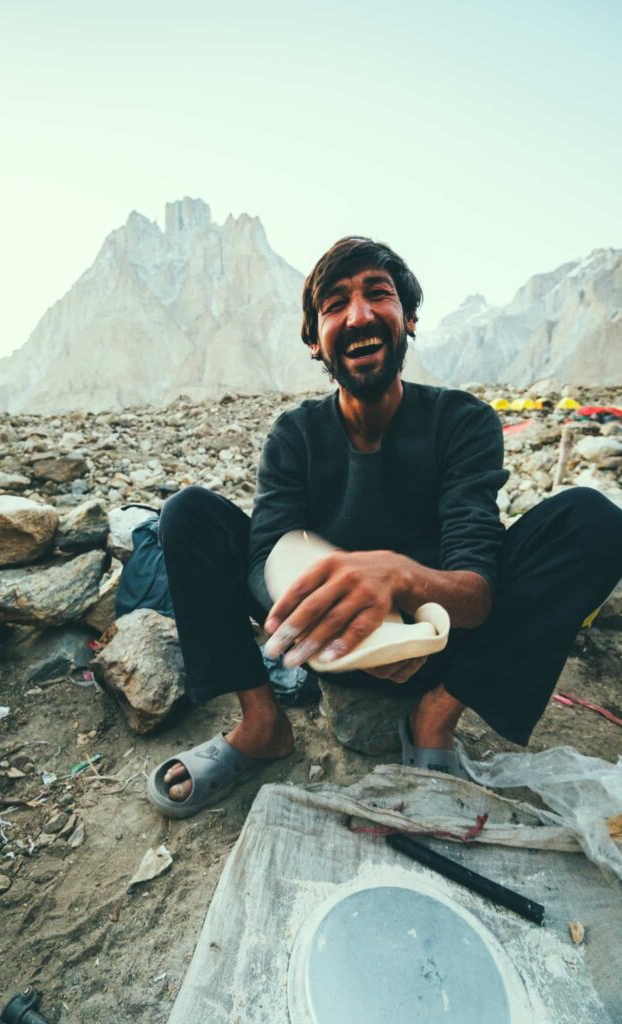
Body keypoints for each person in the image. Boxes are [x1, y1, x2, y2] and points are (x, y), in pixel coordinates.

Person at [148, 236, 622, 817]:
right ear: (314, 341)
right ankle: (262, 723)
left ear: (410, 319)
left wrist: (398, 582)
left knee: (593, 520)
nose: (360, 314)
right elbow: (262, 559)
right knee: (187, 513)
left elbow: (478, 590)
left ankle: (435, 719)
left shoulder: (461, 422)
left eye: (380, 294)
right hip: (323, 643)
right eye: (334, 305)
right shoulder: (294, 435)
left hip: (441, 645)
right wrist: (348, 632)